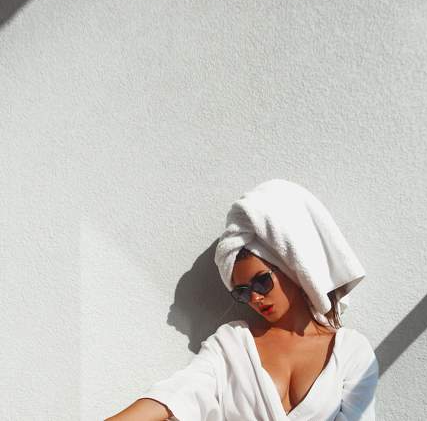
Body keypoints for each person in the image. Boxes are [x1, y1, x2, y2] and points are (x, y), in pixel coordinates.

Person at [105, 179, 379, 420]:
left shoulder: (350, 351)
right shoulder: (233, 342)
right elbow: (179, 392)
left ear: (292, 267)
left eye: (261, 281)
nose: (255, 298)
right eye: (242, 292)